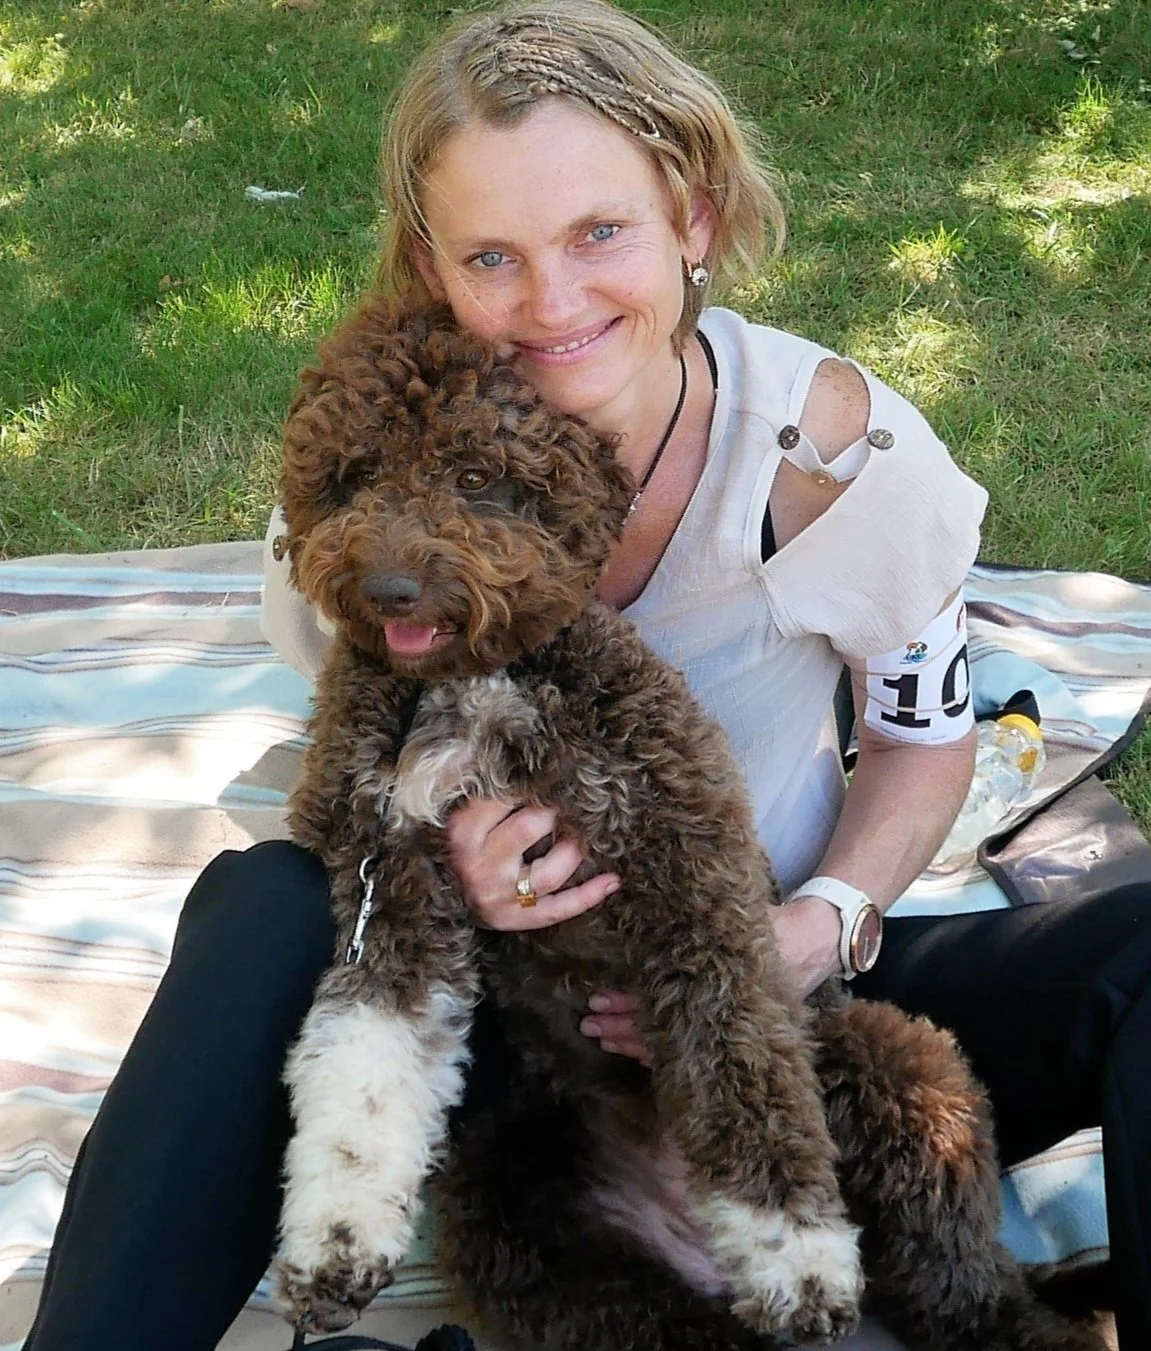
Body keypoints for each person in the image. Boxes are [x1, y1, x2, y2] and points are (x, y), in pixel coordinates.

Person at [23, 3, 1150, 1349]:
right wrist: (457, 862)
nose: (551, 304)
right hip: (515, 1035)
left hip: (780, 1002)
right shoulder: (358, 490)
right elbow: (368, 749)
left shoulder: (830, 454)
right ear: (429, 266)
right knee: (261, 896)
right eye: (491, 255)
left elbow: (922, 742)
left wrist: (827, 918)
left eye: (597, 232)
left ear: (694, 216)